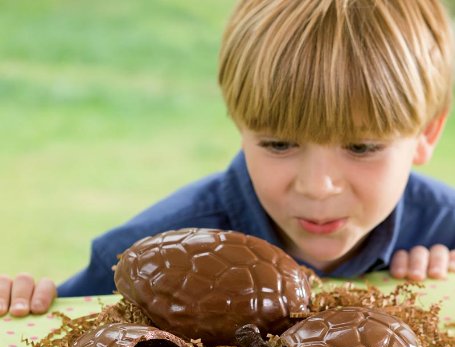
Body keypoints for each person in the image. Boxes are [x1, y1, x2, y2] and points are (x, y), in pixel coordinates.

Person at [2, 0, 455, 318]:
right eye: (279, 144)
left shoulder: (445, 229)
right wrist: (23, 304)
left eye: (360, 147)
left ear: (426, 133)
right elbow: (61, 335)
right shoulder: (146, 253)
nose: (318, 186)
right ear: (241, 124)